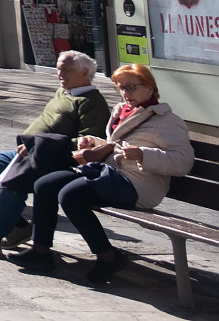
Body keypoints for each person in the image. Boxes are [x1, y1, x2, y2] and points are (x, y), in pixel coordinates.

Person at [12, 64, 194, 282]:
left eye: (132, 87)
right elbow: (114, 145)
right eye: (121, 88)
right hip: (109, 174)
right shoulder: (121, 111)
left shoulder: (167, 120)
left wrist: (142, 154)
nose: (126, 93)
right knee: (44, 184)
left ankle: (108, 257)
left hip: (138, 185)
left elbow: (183, 162)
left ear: (150, 88)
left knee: (70, 195)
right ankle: (40, 251)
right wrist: (93, 142)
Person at [0, 51, 111, 256]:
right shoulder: (63, 92)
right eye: (58, 69)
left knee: (15, 181)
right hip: (28, 152)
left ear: (84, 73)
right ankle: (16, 227)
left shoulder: (92, 102)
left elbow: (88, 144)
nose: (60, 74)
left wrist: (37, 145)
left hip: (53, 160)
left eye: (66, 69)